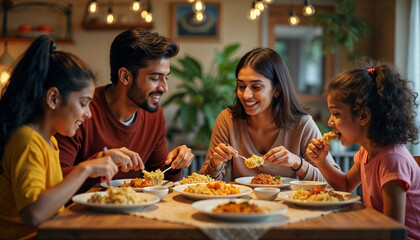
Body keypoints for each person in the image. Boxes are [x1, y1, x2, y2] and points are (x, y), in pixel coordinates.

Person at [0, 36, 118, 239]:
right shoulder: (27, 140)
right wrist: (85, 168)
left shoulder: (49, 141)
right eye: (83, 103)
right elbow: (34, 214)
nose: (88, 114)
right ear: (53, 98)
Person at [56, 28, 194, 193]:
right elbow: (54, 181)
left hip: (130, 211)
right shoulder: (80, 111)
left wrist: (174, 165)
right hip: (79, 214)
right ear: (125, 76)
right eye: (155, 78)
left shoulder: (154, 115)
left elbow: (161, 177)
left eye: (166, 78)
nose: (164, 88)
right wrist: (99, 162)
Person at [306, 61, 420, 240]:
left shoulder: (392, 160)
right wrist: (321, 160)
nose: (329, 122)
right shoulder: (366, 152)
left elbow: (393, 231)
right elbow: (344, 186)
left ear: (363, 116)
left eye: (336, 114)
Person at [199, 48, 339, 181]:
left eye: (256, 87)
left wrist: (297, 163)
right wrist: (215, 164)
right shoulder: (228, 120)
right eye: (241, 86)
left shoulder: (302, 125)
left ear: (276, 89)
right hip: (241, 206)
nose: (246, 95)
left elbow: (332, 185)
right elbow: (203, 185)